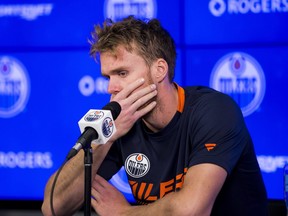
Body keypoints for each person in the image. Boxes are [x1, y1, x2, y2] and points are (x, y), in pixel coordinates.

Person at [42, 16, 268, 216]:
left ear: (160, 70)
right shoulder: (119, 120)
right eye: (107, 77)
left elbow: (192, 210)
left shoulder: (215, 110)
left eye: (122, 73)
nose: (111, 88)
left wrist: (123, 214)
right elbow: (53, 207)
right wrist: (106, 138)